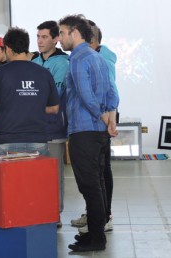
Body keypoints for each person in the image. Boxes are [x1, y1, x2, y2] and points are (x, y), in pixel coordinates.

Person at [58, 14, 118, 252]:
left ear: (74, 32)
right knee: (98, 185)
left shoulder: (78, 58)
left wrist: (100, 114)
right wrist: (110, 116)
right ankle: (95, 233)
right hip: (99, 132)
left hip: (84, 130)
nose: (60, 38)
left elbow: (84, 92)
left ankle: (97, 239)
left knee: (90, 186)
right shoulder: (98, 57)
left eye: (62, 33)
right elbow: (112, 91)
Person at [0, 27, 59, 156]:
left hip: (5, 141)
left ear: (9, 49)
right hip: (38, 140)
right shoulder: (44, 73)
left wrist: (8, 107)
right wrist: (30, 106)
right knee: (37, 177)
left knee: (6, 177)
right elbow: (54, 108)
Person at [72, 20, 119, 234]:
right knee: (96, 174)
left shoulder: (99, 59)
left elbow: (111, 91)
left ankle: (103, 217)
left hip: (98, 122)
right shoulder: (94, 56)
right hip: (100, 120)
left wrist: (109, 118)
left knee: (100, 173)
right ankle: (95, 215)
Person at [32, 20, 69, 228]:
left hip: (54, 127)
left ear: (56, 39)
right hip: (34, 129)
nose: (40, 41)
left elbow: (53, 95)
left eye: (44, 37)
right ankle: (39, 211)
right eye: (38, 36)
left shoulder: (63, 63)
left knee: (54, 176)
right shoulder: (34, 62)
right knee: (36, 175)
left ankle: (55, 214)